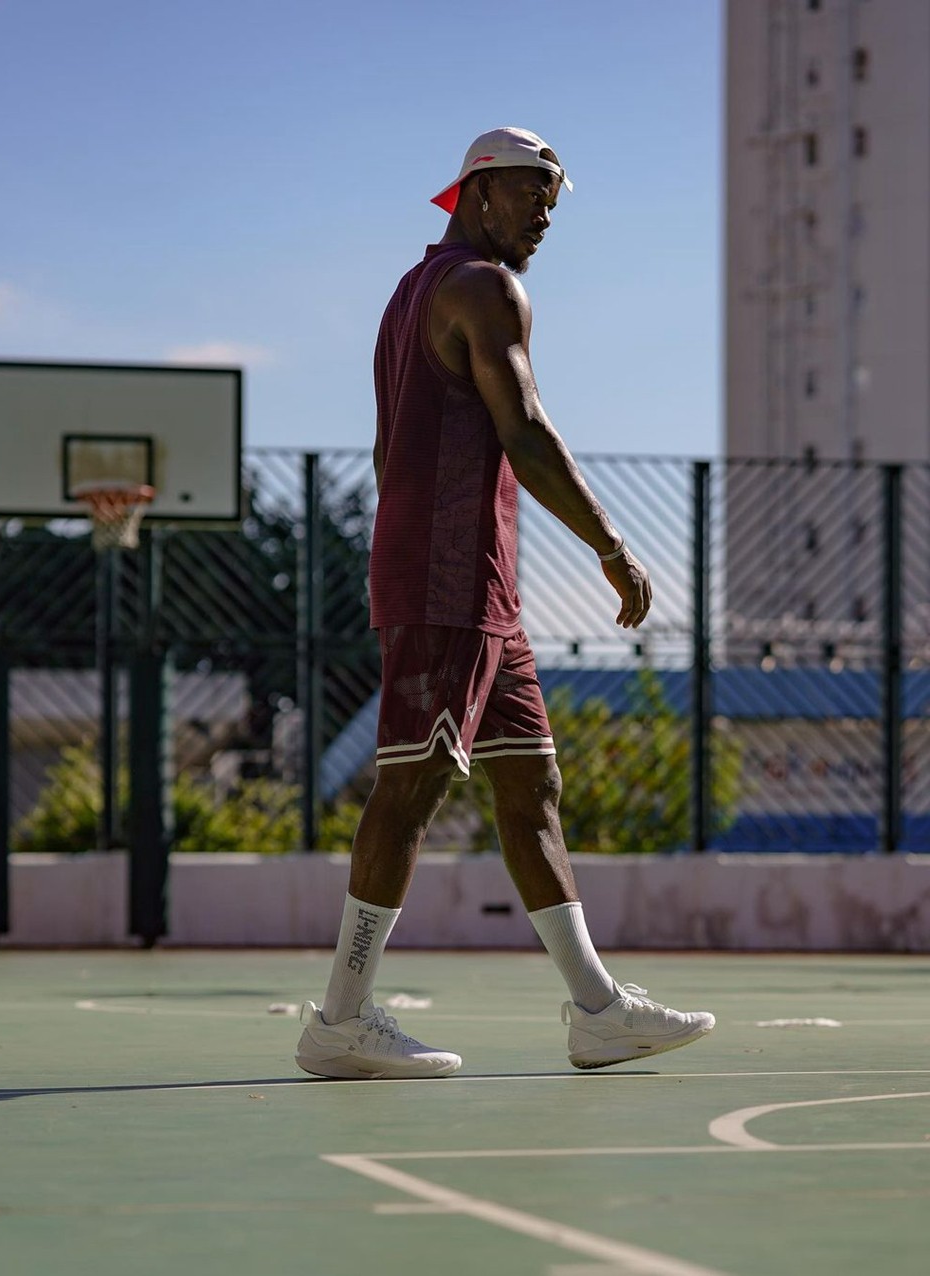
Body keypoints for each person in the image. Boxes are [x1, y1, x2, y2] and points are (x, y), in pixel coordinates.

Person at [295, 127, 715, 1080]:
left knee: (531, 789)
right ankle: (341, 1019)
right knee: (411, 786)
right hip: (449, 575)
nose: (545, 215)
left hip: (476, 581)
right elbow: (523, 427)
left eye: (552, 201)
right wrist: (611, 545)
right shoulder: (484, 286)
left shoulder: (410, 293)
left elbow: (388, 449)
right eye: (532, 193)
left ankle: (598, 1012)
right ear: (477, 191)